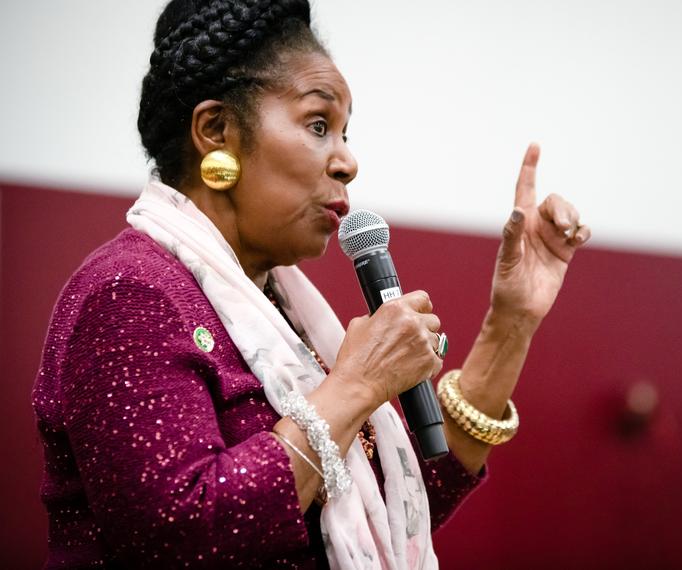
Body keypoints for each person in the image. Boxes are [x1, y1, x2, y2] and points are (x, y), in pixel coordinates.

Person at [31, 0, 591, 568]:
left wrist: (512, 321)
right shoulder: (131, 292)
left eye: (345, 133)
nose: (348, 161)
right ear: (215, 130)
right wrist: (356, 386)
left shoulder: (284, 318)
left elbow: (406, 502)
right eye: (319, 125)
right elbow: (180, 536)